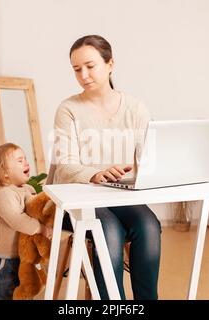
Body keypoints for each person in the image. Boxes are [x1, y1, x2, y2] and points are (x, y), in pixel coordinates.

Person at [51, 35, 162, 300]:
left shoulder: (135, 107)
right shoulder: (68, 109)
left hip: (120, 194)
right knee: (108, 229)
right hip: (79, 197)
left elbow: (150, 157)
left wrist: (147, 169)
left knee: (148, 225)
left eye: (90, 66)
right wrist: (95, 174)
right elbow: (64, 167)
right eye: (77, 69)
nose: (83, 75)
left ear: (110, 64)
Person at [0, 143, 52, 300]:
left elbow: (32, 208)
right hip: (4, 260)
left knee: (24, 291)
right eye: (20, 161)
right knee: (6, 294)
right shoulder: (4, 195)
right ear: (5, 173)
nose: (26, 162)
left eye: (25, 158)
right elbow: (18, 220)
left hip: (21, 256)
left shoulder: (25, 189)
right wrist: (41, 228)